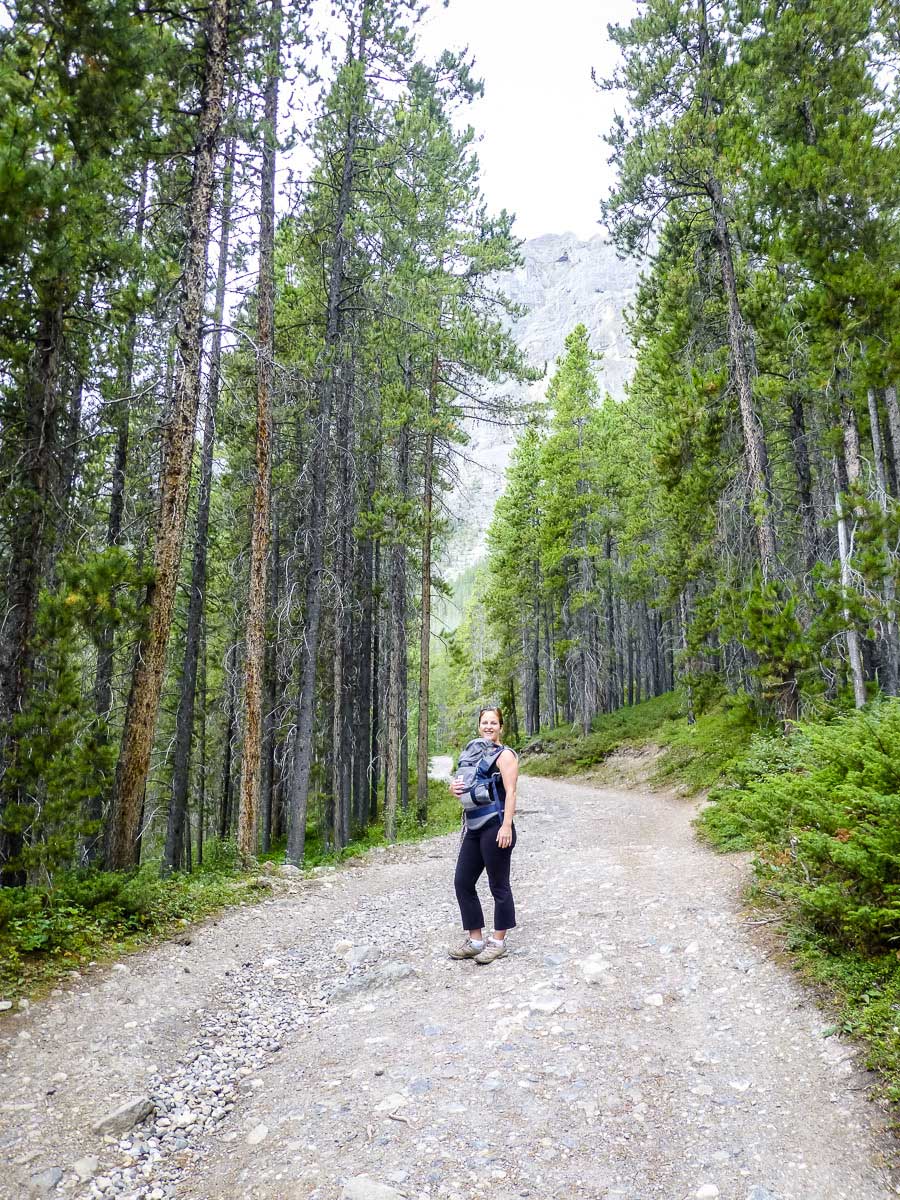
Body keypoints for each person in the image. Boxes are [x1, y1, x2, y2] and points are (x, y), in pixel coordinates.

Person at [448, 706, 518, 965]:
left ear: (501, 726)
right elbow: (463, 785)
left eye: (493, 723)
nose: (489, 726)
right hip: (474, 828)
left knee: (498, 885)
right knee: (462, 881)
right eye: (484, 722)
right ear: (479, 726)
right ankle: (476, 940)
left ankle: (498, 942)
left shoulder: (505, 755)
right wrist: (453, 789)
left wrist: (507, 826)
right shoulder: (473, 754)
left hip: (496, 825)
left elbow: (511, 792)